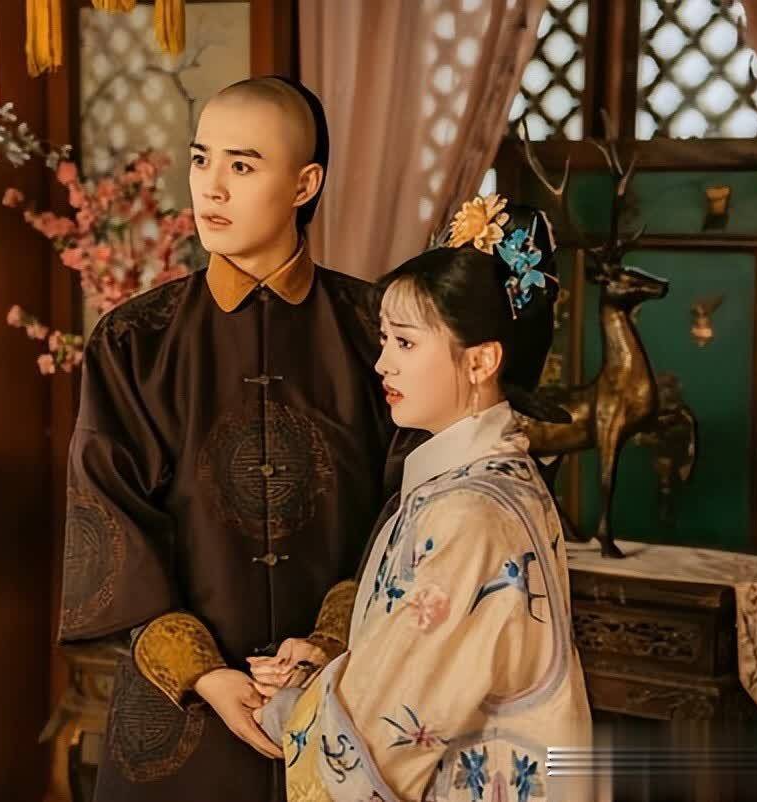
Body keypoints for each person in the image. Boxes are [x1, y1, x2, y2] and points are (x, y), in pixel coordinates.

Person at [56, 75, 412, 802]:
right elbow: (110, 516)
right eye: (200, 160)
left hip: (350, 694)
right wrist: (206, 674)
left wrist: (332, 638)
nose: (210, 187)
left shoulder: (377, 330)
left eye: (242, 166)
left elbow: (412, 503)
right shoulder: (135, 341)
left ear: (305, 184)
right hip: (182, 716)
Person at [252, 195, 594, 802]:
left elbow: (388, 728)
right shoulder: (483, 481)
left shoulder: (470, 512)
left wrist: (289, 707)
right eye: (385, 339)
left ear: (481, 360)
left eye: (406, 343)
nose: (383, 363)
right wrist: (328, 666)